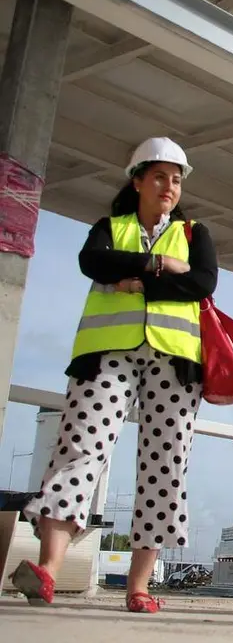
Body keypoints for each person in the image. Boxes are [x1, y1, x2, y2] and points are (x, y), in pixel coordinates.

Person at [10, 137, 217, 613]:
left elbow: (202, 281)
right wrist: (160, 264)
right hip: (106, 354)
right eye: (160, 176)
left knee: (166, 464)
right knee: (80, 448)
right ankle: (48, 571)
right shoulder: (109, 226)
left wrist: (131, 279)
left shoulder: (195, 232)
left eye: (177, 179)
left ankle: (139, 586)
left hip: (175, 359)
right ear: (138, 180)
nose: (170, 186)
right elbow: (92, 262)